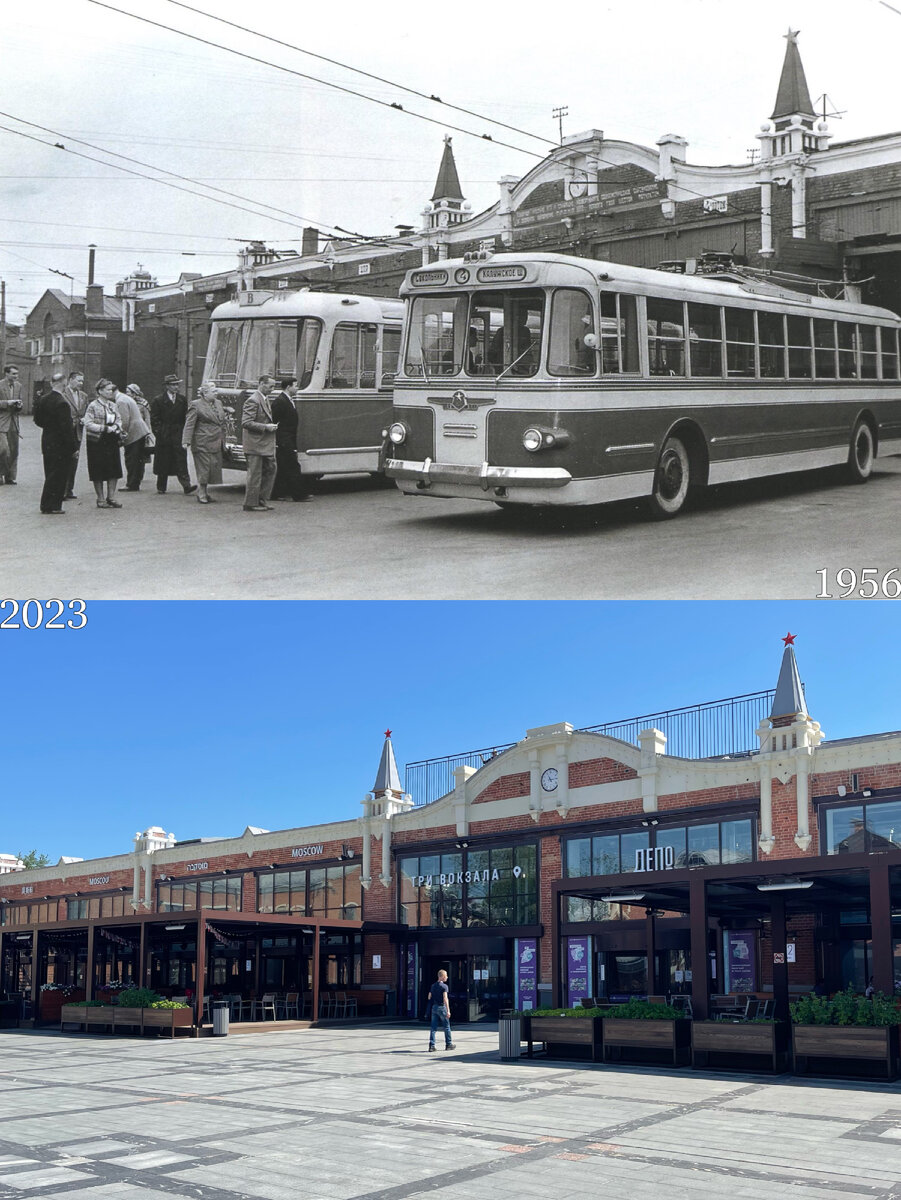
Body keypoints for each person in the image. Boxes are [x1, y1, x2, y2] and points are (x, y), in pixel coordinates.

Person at [32, 374, 76, 514]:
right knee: (59, 475)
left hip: (47, 440)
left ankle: (46, 504)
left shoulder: (43, 399)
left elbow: (37, 420)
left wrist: (49, 427)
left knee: (50, 472)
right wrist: (73, 447)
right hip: (60, 445)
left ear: (52, 383)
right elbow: (67, 429)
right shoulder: (62, 403)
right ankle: (53, 505)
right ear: (64, 384)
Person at [149, 373, 196, 495]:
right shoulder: (158, 400)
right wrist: (160, 433)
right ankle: (161, 486)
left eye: (177, 384)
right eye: (173, 385)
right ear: (167, 386)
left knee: (181, 460)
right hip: (164, 434)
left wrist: (184, 433)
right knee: (163, 460)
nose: (176, 387)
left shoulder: (182, 399)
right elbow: (154, 420)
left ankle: (187, 485)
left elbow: (185, 417)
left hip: (178, 433)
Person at [82, 379, 125, 509]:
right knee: (98, 469)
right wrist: (104, 428)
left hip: (111, 440)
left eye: (111, 389)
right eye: (108, 389)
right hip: (97, 441)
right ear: (100, 391)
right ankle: (100, 498)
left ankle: (111, 497)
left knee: (114, 468)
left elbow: (119, 419)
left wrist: (117, 427)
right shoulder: (93, 406)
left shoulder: (113, 405)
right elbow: (88, 423)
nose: (110, 392)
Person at [182, 381, 227, 504]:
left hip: (216, 440)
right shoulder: (196, 405)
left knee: (213, 467)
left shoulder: (218, 403)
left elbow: (220, 420)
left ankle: (205, 492)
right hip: (202, 441)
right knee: (204, 468)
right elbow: (189, 424)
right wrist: (186, 441)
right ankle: (201, 492)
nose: (216, 393)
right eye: (214, 391)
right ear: (205, 393)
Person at [271, 377, 314, 502]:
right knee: (293, 466)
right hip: (284, 439)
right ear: (288, 387)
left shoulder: (287, 400)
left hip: (286, 439)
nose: (297, 388)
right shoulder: (281, 401)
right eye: (295, 386)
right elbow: (274, 420)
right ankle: (298, 495)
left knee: (283, 467)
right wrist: (281, 439)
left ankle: (276, 493)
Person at [241, 374, 278, 512]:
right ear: (261, 384)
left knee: (270, 470)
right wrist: (266, 427)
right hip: (255, 445)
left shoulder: (264, 399)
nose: (272, 389)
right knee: (255, 474)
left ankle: (261, 499)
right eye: (270, 386)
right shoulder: (253, 400)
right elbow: (245, 422)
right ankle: (251, 503)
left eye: (274, 386)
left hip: (263, 444)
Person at [115, 385, 152, 492]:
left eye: (129, 392)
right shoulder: (131, 401)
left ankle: (132, 483)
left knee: (132, 459)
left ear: (135, 393)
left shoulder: (128, 402)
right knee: (137, 459)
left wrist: (122, 435)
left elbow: (126, 421)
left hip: (135, 433)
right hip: (140, 432)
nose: (127, 394)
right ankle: (135, 482)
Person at [61, 370, 87, 499]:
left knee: (74, 461)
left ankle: (69, 489)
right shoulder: (62, 394)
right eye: (78, 380)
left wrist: (84, 420)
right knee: (64, 460)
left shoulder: (83, 396)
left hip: (78, 432)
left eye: (82, 381)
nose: (81, 383)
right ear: (70, 380)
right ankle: (62, 490)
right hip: (65, 432)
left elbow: (84, 413)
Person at [0, 364, 24, 485]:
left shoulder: (18, 386)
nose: (16, 376)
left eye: (17, 374)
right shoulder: (0, 385)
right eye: (13, 373)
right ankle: (0, 474)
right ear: (6, 373)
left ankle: (10, 476)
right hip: (1, 421)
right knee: (3, 449)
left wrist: (19, 405)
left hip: (14, 422)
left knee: (14, 450)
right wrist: (7, 402)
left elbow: (20, 401)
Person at [426, 968, 456, 1052]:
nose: (447, 977)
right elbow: (445, 998)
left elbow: (429, 997)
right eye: (446, 976)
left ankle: (432, 1045)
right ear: (442, 977)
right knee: (446, 1027)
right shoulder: (444, 986)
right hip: (442, 1007)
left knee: (433, 1027)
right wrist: (448, 1010)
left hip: (434, 1007)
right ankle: (448, 1044)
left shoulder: (433, 986)